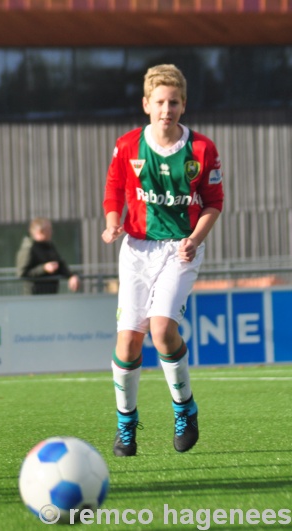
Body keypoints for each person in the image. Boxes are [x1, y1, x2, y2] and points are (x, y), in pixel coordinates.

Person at [101, 64, 224, 457]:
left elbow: (215, 203)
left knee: (161, 331)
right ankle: (126, 424)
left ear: (183, 105)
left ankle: (184, 409)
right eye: (159, 102)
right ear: (146, 105)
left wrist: (194, 239)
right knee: (127, 341)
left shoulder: (202, 149)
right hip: (136, 249)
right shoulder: (127, 145)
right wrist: (112, 223)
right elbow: (113, 190)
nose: (166, 109)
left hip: (180, 248)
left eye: (173, 102)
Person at [15, 217, 80, 295]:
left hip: (50, 295)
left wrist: (71, 276)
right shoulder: (28, 248)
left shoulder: (49, 245)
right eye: (49, 229)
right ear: (40, 231)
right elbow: (22, 273)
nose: (52, 232)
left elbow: (59, 264)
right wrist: (43, 268)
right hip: (34, 297)